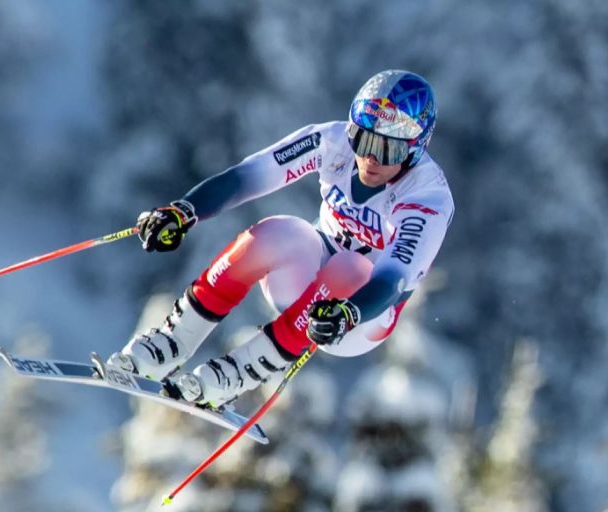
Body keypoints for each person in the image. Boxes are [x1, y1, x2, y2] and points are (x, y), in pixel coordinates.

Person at [107, 69, 454, 409]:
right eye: (362, 139)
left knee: (351, 267)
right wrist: (184, 210)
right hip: (305, 282)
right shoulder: (333, 143)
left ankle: (241, 371)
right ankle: (172, 342)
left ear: (415, 148)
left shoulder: (427, 197)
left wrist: (349, 313)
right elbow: (249, 176)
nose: (369, 158)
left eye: (388, 150)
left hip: (362, 316)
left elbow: (393, 279)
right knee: (278, 231)